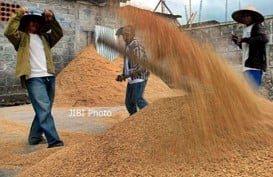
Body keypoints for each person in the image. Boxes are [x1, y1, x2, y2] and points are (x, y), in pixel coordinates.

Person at [4, 7, 64, 148]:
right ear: (25, 24)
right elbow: (8, 32)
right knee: (44, 109)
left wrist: (52, 19)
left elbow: (59, 33)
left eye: (37, 22)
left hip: (49, 76)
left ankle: (34, 137)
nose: (34, 24)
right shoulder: (21, 38)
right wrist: (18, 14)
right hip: (34, 78)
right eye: (31, 22)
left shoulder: (45, 38)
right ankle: (54, 142)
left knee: (45, 109)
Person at [231, 5, 268, 90]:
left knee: (252, 91)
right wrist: (236, 40)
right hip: (246, 66)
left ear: (253, 16)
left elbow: (263, 38)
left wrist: (244, 39)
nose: (245, 17)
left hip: (254, 66)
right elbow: (246, 47)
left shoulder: (257, 26)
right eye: (243, 16)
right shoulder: (246, 29)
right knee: (247, 91)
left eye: (247, 15)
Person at [115, 25, 150, 115]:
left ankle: (153, 116)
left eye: (127, 35)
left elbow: (140, 67)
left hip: (139, 78)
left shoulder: (136, 46)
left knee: (138, 99)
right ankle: (134, 122)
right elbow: (128, 64)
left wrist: (126, 75)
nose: (124, 37)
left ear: (132, 35)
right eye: (123, 35)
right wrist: (123, 75)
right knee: (129, 103)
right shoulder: (128, 46)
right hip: (132, 79)